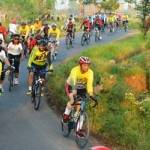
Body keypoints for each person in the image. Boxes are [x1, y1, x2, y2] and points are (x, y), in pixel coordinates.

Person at [63, 56, 94, 123]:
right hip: (71, 86)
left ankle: (76, 118)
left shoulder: (90, 72)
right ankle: (66, 115)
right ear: (80, 65)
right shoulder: (75, 70)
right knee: (73, 101)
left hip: (81, 88)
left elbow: (89, 84)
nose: (87, 67)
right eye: (85, 65)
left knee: (80, 102)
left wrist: (91, 93)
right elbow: (73, 81)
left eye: (88, 65)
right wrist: (74, 90)